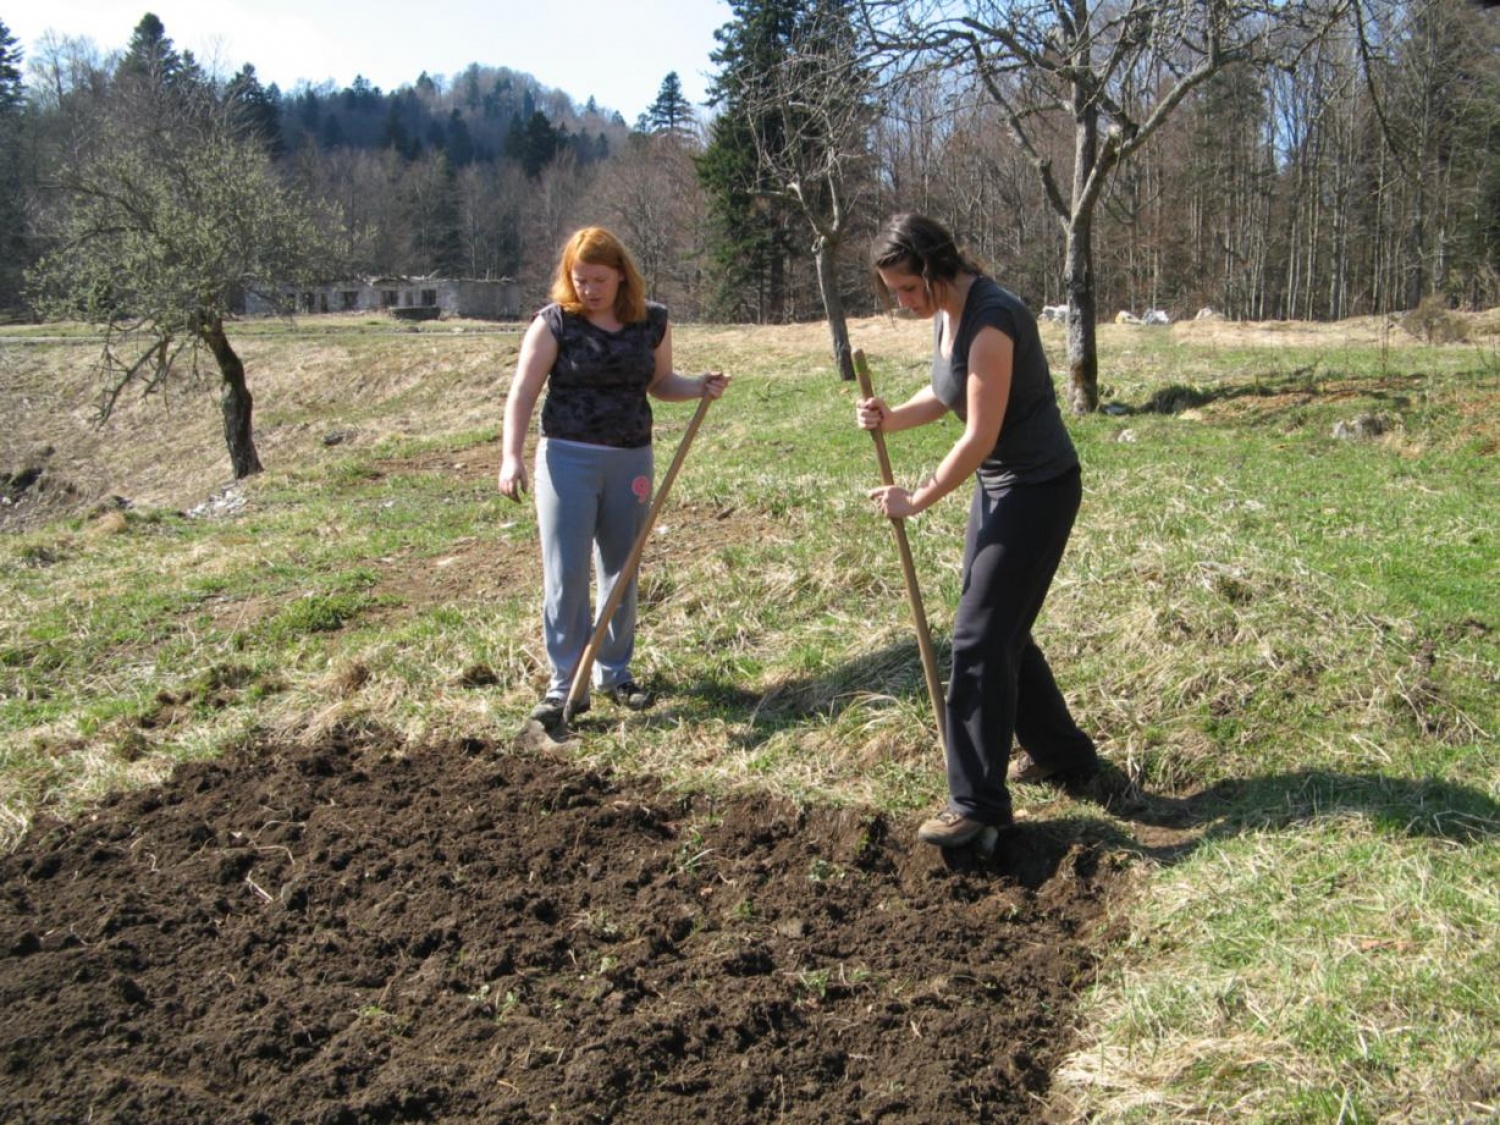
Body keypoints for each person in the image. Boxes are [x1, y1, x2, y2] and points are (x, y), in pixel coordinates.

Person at [856, 212, 1099, 848]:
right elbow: (946, 394)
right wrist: (891, 417)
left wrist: (917, 498)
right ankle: (1065, 755)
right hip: (1000, 487)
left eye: (909, 288)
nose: (903, 303)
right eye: (894, 292)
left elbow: (979, 435)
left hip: (1039, 489)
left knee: (977, 637)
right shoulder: (947, 312)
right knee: (999, 630)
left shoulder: (992, 320)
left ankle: (976, 805)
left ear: (937, 267)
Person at [499, 226, 729, 728]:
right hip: (567, 460)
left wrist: (699, 386)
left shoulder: (651, 322)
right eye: (580, 279)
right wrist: (511, 456)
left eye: (599, 279)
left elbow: (660, 382)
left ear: (622, 275)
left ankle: (613, 673)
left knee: (622, 570)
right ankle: (565, 684)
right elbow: (523, 391)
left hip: (630, 460)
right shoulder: (554, 324)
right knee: (565, 573)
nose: (589, 289)